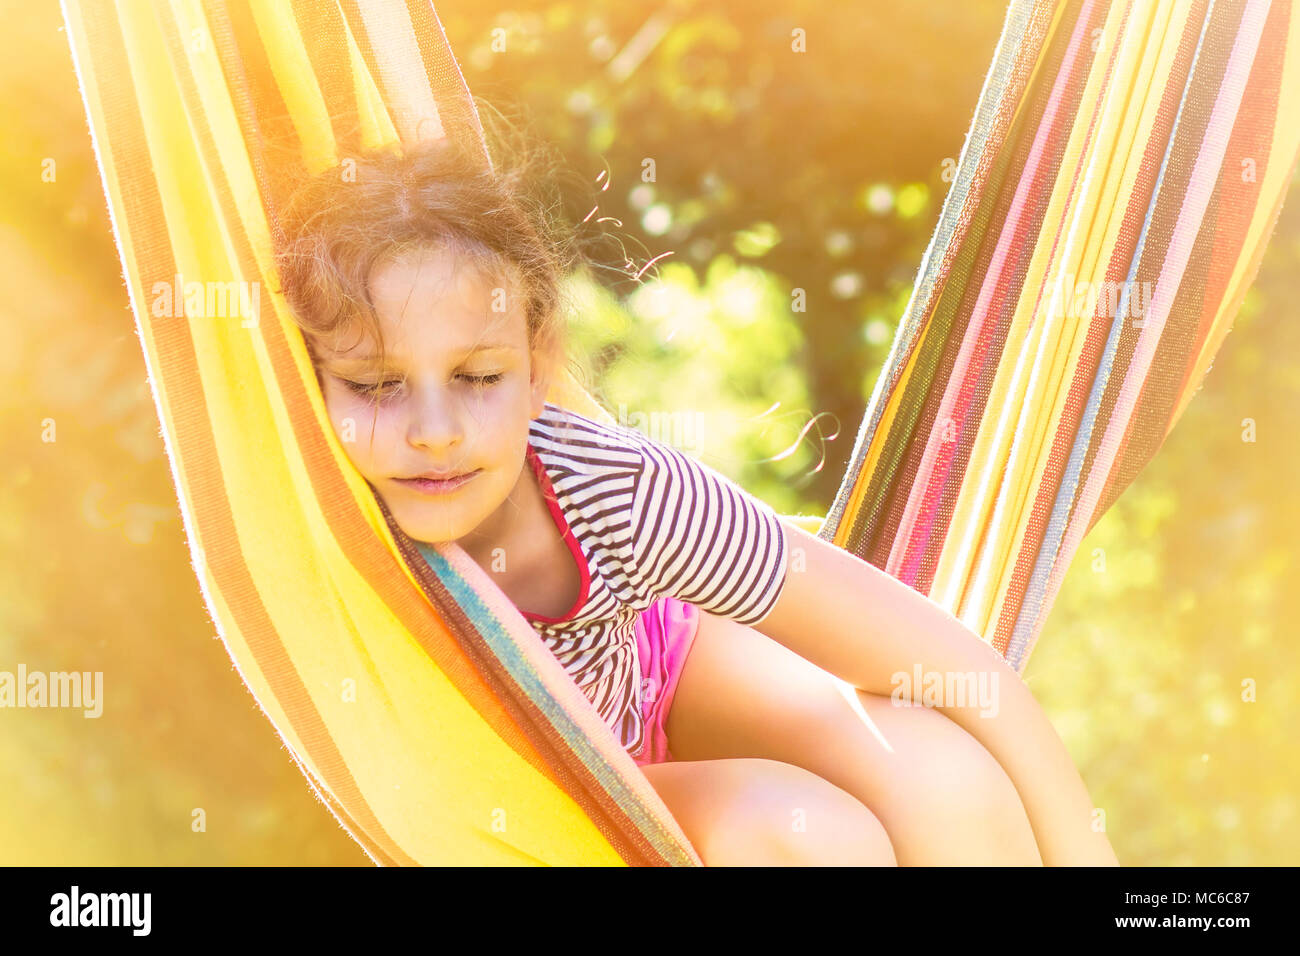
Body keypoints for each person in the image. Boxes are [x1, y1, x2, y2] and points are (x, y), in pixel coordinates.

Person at [273, 120, 1117, 868]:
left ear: (537, 368)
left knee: (949, 786)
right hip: (546, 813)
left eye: (478, 376)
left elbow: (959, 668)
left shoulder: (619, 493)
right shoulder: (328, 531)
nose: (434, 431)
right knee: (802, 836)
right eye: (377, 386)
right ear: (311, 391)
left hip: (658, 677)